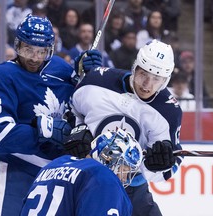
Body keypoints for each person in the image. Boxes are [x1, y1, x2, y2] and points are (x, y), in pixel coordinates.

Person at [73, 39, 183, 216]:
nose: (147, 85)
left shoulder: (168, 111)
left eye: (157, 79)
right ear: (135, 66)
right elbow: (72, 112)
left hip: (131, 187)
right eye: (143, 74)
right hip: (86, 178)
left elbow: (173, 163)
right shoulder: (95, 82)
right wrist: (75, 131)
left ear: (166, 80)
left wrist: (158, 165)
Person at [0, 14, 76, 216]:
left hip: (54, 174)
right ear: (17, 45)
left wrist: (88, 72)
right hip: (13, 170)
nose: (34, 58)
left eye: (41, 51)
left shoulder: (61, 69)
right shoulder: (1, 76)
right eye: (28, 49)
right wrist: (47, 130)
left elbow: (83, 100)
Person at [20, 128, 142, 216]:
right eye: (124, 170)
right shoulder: (103, 177)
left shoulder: (54, 165)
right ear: (110, 158)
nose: (124, 178)